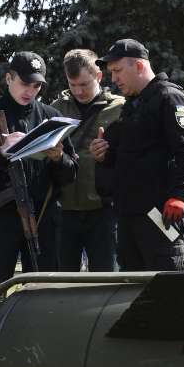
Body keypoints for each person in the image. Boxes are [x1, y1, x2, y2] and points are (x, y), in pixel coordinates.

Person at [0, 51, 78, 298]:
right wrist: (0, 153)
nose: (30, 91)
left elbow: (71, 173)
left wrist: (58, 158)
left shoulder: (51, 117)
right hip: (2, 218)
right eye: (24, 83)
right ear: (8, 78)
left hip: (43, 218)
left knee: (45, 293)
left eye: (37, 85)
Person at [89, 39, 184, 271]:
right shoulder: (132, 106)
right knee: (131, 291)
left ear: (139, 66)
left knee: (166, 289)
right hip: (129, 216)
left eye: (118, 71)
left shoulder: (169, 97)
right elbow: (129, 156)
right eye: (111, 72)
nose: (114, 79)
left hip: (160, 216)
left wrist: (180, 194)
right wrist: (104, 155)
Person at [50, 49, 125, 272]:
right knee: (60, 281)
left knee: (106, 279)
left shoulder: (120, 108)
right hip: (64, 210)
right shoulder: (55, 110)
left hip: (104, 211)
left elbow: (133, 155)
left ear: (99, 77)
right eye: (73, 85)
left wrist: (111, 152)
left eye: (84, 84)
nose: (79, 91)